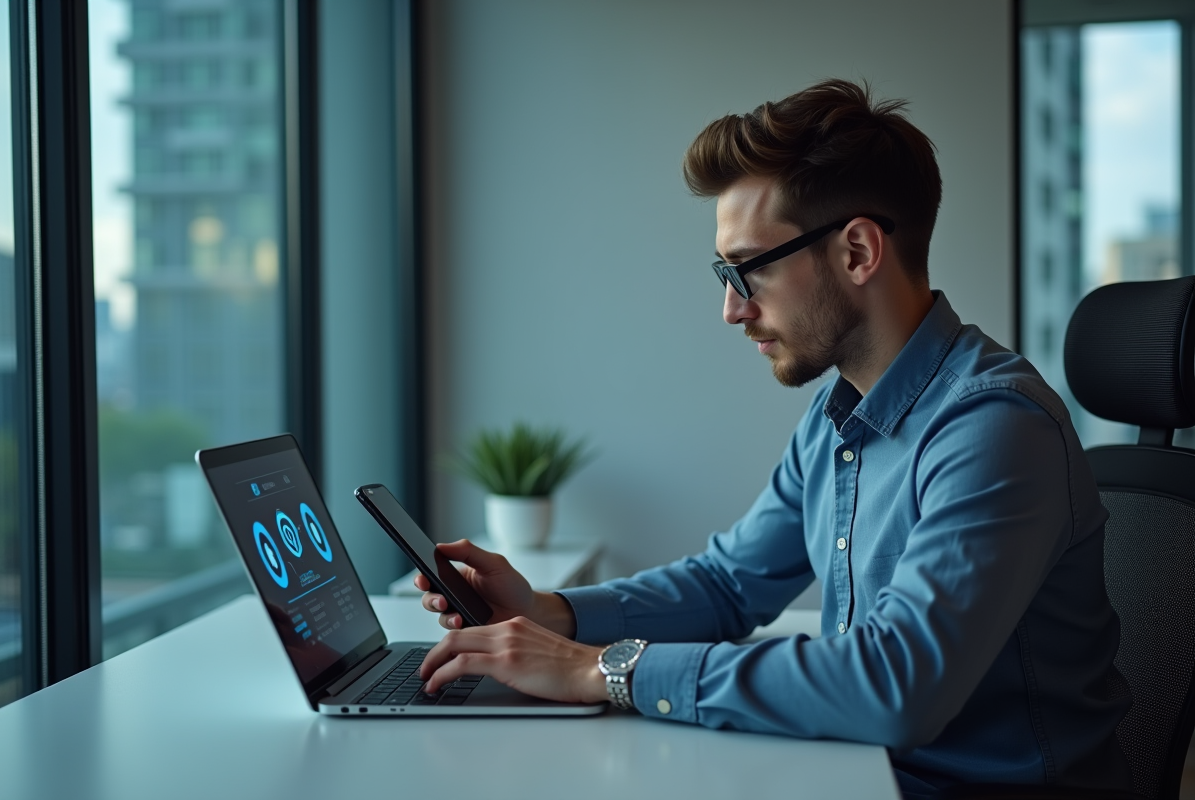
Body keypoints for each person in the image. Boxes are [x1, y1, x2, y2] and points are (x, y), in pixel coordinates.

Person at [415, 79, 1133, 799]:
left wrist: (600, 668)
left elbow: (894, 687)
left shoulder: (993, 428)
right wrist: (549, 613)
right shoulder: (839, 419)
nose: (732, 309)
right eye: (723, 274)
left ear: (856, 251)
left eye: (747, 269)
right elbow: (729, 584)